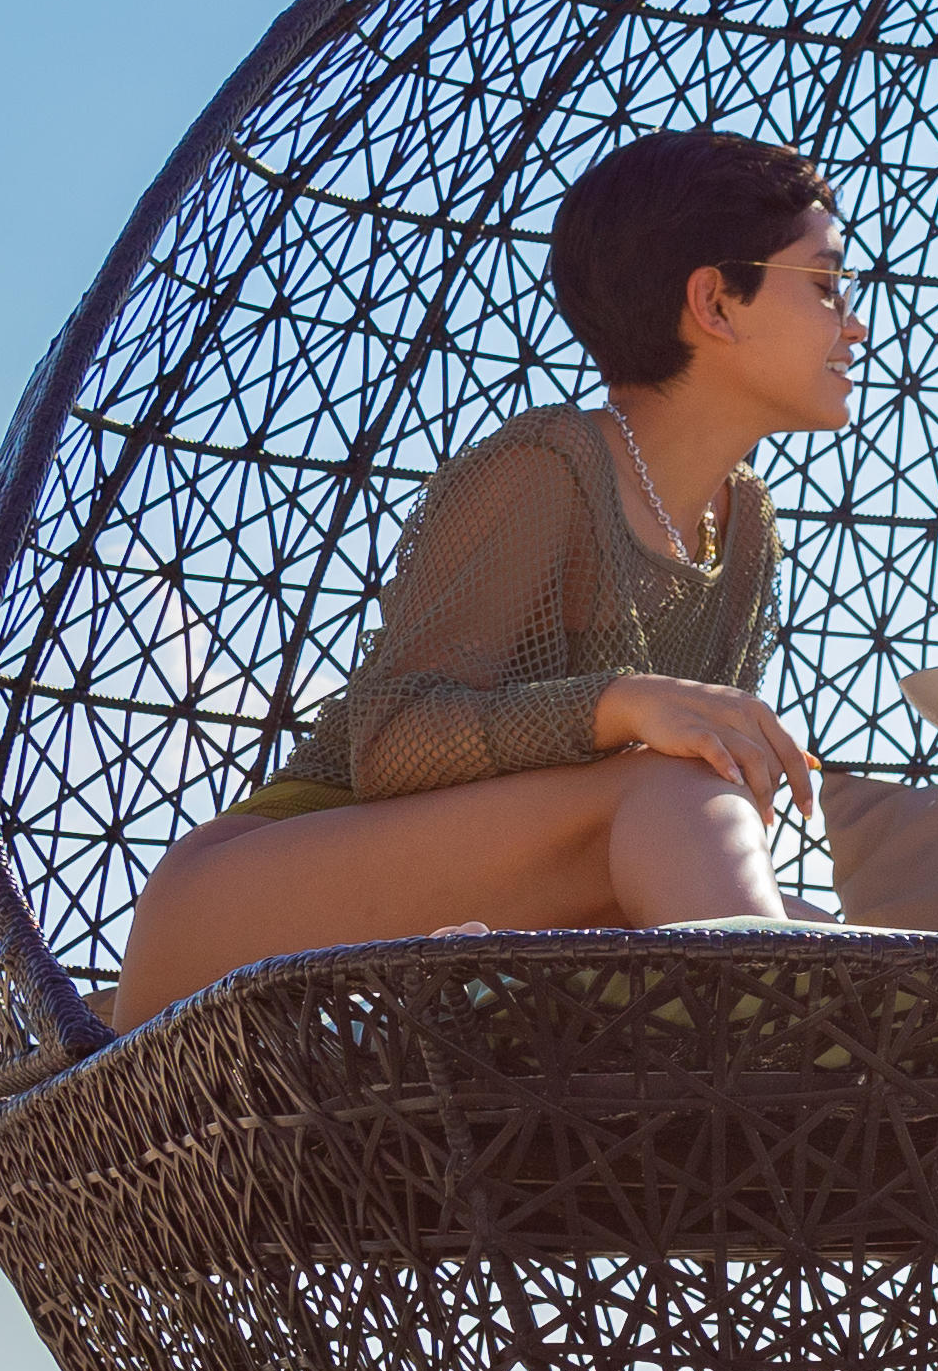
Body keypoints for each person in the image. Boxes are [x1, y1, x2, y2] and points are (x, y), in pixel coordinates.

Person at [101, 128, 857, 1024]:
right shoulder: (548, 467)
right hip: (249, 912)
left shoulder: (743, 531)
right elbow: (389, 744)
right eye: (822, 284)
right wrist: (617, 701)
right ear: (715, 303)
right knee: (685, 804)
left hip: (483, 920)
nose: (852, 322)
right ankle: (783, 1060)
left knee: (854, 952)